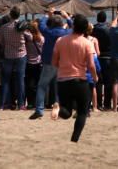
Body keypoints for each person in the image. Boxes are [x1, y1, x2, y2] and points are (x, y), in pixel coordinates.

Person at [51, 14, 98, 143]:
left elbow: (54, 62)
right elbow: (91, 65)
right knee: (82, 111)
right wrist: (95, 77)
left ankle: (59, 108)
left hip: (63, 81)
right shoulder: (87, 43)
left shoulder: (60, 41)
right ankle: (74, 139)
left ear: (73, 26)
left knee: (66, 112)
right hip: (80, 80)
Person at [29, 9, 72, 120]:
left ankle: (39, 110)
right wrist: (67, 16)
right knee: (59, 86)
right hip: (62, 62)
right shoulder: (66, 33)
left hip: (49, 62)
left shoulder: (48, 32)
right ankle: (57, 104)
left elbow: (41, 24)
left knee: (42, 86)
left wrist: (47, 15)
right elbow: (73, 27)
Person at [0, 5, 29, 110]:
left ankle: (3, 104)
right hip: (21, 54)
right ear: (19, 15)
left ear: (10, 15)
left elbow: (1, 42)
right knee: (20, 80)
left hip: (8, 55)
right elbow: (30, 37)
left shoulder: (4, 27)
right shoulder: (21, 26)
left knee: (5, 80)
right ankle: (21, 104)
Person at [92, 11, 111, 110]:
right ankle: (107, 104)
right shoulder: (109, 29)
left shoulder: (93, 29)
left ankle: (98, 103)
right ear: (105, 19)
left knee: (98, 81)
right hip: (107, 56)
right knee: (108, 82)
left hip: (96, 57)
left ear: (97, 19)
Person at [24, 20, 43, 109]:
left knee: (29, 83)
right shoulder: (41, 38)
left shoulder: (28, 38)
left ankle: (30, 102)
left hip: (29, 62)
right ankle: (37, 102)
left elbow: (22, 30)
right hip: (39, 62)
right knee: (38, 83)